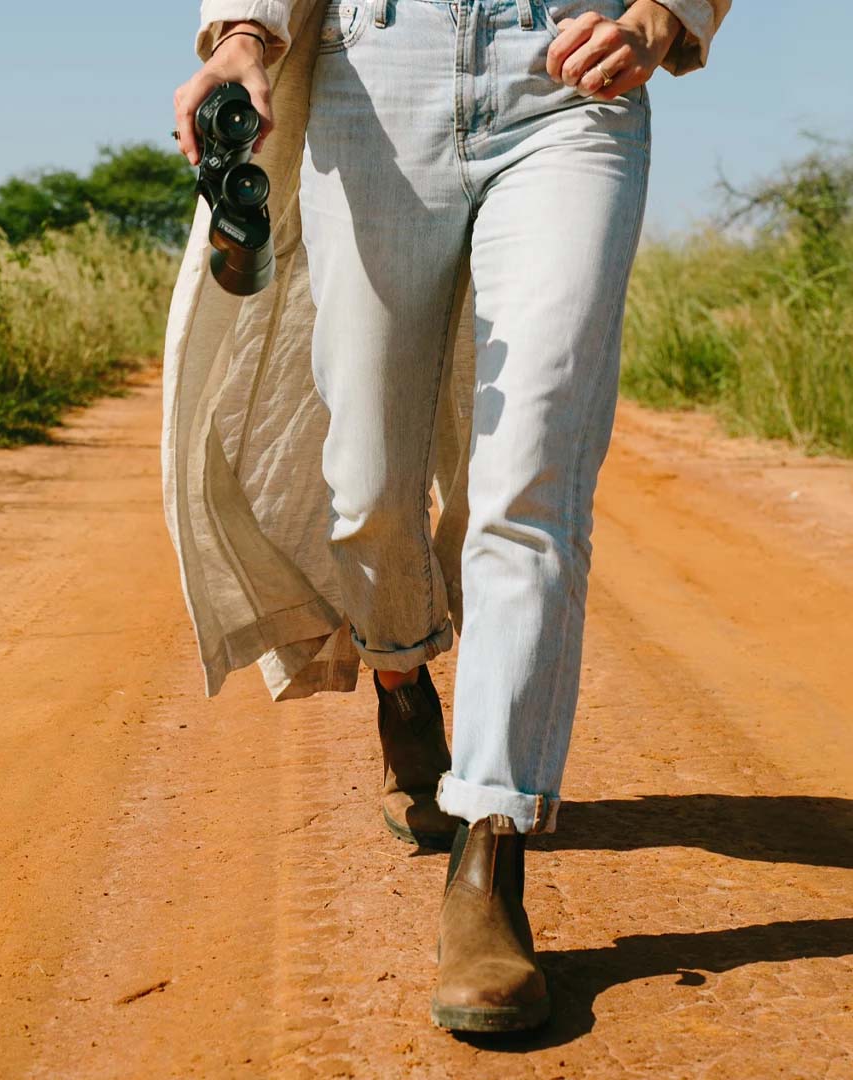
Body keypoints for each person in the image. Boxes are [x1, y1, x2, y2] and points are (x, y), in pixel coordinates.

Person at [169, 0, 729, 1034]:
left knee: (529, 479)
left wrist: (665, 15)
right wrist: (243, 35)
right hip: (378, 79)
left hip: (569, 81)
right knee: (367, 484)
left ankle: (490, 857)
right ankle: (398, 670)